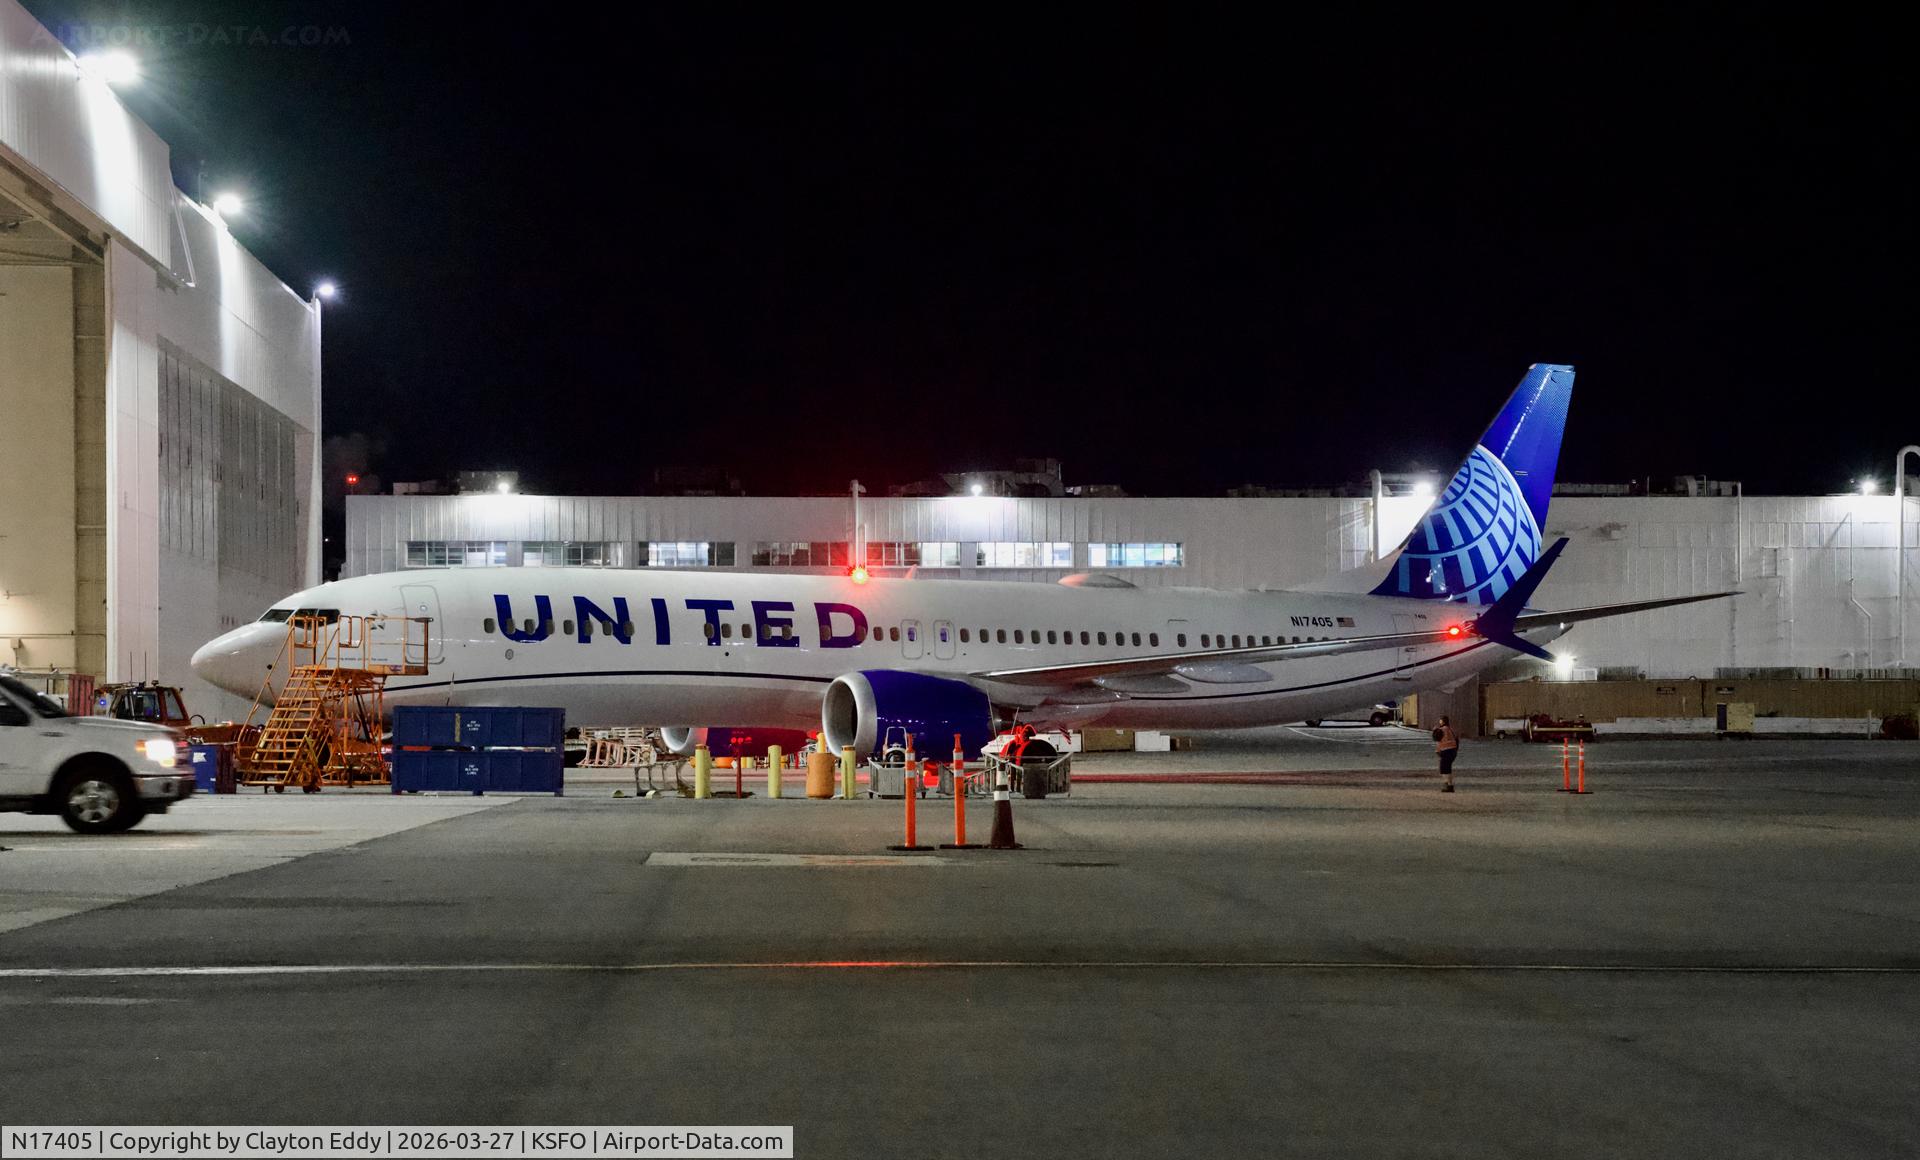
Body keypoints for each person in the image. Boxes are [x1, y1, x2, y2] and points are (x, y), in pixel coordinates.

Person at [1432, 715, 1460, 791]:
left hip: (1445, 751)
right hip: (1453, 751)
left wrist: (1437, 751)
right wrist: (1456, 749)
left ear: (1443, 721)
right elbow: (1457, 739)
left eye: (1440, 720)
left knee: (1444, 769)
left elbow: (1437, 739)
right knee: (1447, 768)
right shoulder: (1451, 729)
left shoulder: (1440, 730)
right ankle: (1449, 785)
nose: (1439, 722)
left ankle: (1448, 785)